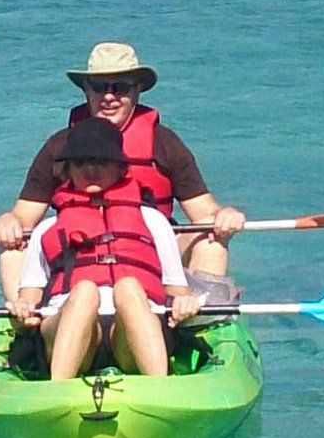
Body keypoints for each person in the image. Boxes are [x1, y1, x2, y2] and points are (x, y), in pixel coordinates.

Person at [0, 42, 245, 313]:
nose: (109, 97)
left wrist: (225, 216)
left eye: (120, 87)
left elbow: (204, 212)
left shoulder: (164, 143)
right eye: (99, 87)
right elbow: (24, 216)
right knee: (12, 245)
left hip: (153, 250)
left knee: (210, 236)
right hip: (79, 253)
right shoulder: (60, 147)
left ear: (137, 90)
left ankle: (200, 321)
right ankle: (23, 318)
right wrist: (9, 222)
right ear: (86, 89)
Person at [11, 114, 191, 380]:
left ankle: (159, 385)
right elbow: (29, 297)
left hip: (133, 330)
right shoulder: (48, 229)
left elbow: (178, 291)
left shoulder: (152, 221)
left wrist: (185, 302)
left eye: (101, 161)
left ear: (120, 168)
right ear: (68, 170)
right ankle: (58, 388)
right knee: (85, 291)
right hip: (68, 325)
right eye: (80, 162)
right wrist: (21, 311)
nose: (90, 169)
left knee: (129, 287)